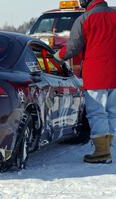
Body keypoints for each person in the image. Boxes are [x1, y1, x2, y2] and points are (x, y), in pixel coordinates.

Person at [54, 0, 116, 164]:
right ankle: (112, 151)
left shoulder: (84, 19)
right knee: (113, 112)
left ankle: (102, 152)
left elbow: (73, 47)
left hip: (97, 74)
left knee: (97, 112)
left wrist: (58, 56)